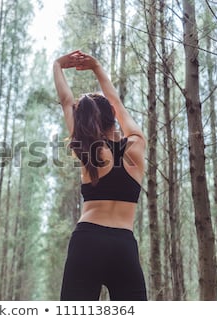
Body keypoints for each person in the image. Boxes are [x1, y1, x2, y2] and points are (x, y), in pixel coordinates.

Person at [53, 50, 147, 301]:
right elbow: (114, 100)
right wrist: (96, 68)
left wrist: (58, 65)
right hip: (123, 247)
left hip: (87, 241)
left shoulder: (90, 148)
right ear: (114, 116)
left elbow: (65, 100)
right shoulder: (136, 145)